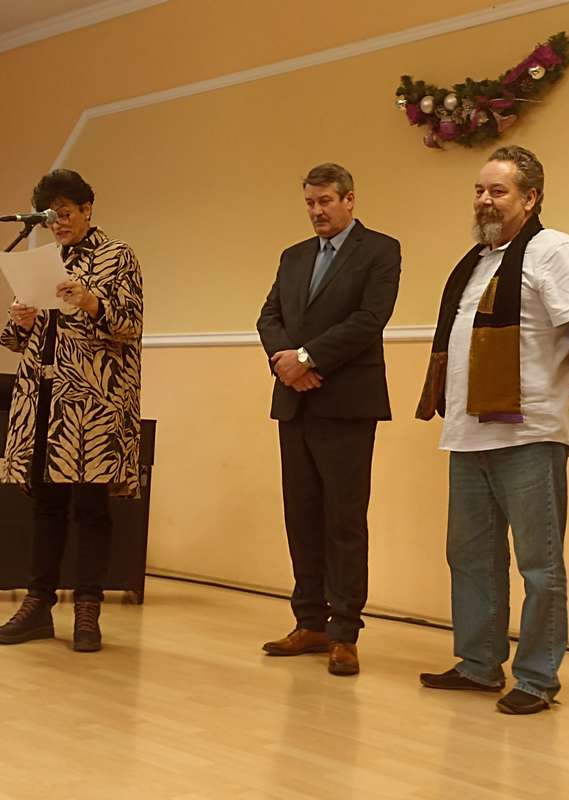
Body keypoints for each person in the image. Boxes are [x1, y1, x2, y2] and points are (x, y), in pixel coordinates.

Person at [416, 146, 569, 713]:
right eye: (479, 190)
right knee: (470, 558)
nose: (484, 200)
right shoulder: (478, 261)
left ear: (531, 198)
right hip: (468, 435)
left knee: (539, 565)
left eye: (498, 191)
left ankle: (536, 678)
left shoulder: (555, 251)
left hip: (530, 435)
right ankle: (479, 665)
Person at [256, 163, 401, 676]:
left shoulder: (380, 250)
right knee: (301, 516)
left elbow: (370, 319)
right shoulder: (293, 256)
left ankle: (344, 633)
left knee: (343, 520)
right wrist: (287, 364)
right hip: (295, 402)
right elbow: (269, 317)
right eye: (310, 203)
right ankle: (310, 622)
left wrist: (308, 358)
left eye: (325, 201)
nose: (317, 211)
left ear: (349, 199)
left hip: (347, 405)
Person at [0, 169, 143, 653]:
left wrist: (92, 302)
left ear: (86, 210)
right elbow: (16, 341)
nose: (57, 223)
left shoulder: (117, 256)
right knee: (46, 503)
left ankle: (87, 608)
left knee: (91, 507)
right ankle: (38, 604)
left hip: (93, 403)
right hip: (42, 398)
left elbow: (131, 325)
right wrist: (22, 320)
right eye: (50, 216)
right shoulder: (45, 260)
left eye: (64, 213)